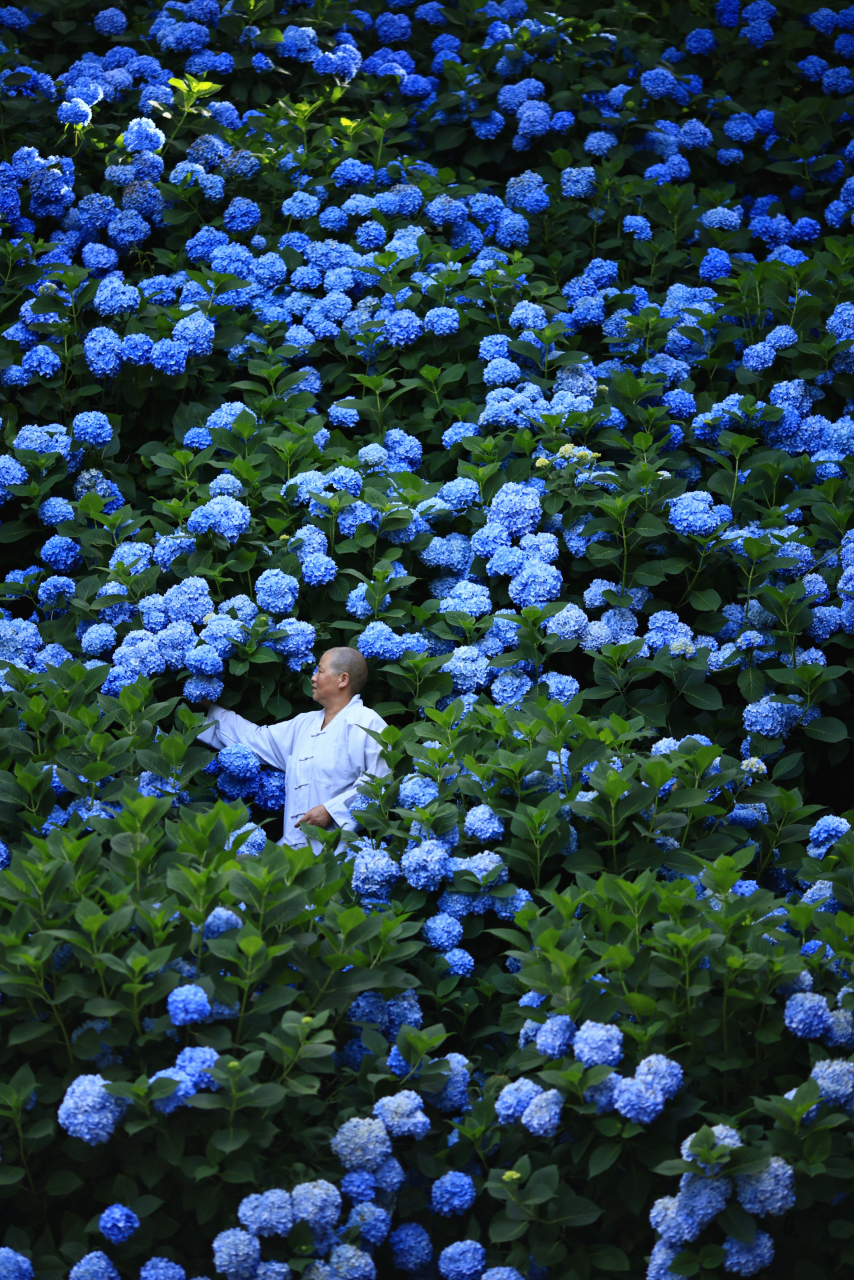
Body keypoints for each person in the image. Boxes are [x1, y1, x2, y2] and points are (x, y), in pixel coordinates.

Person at [196, 647, 389, 851]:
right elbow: (255, 740)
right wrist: (210, 708)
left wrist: (331, 811)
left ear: (342, 679)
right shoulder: (304, 723)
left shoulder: (366, 722)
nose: (313, 678)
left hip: (338, 853)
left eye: (320, 671)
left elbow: (380, 783)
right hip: (292, 852)